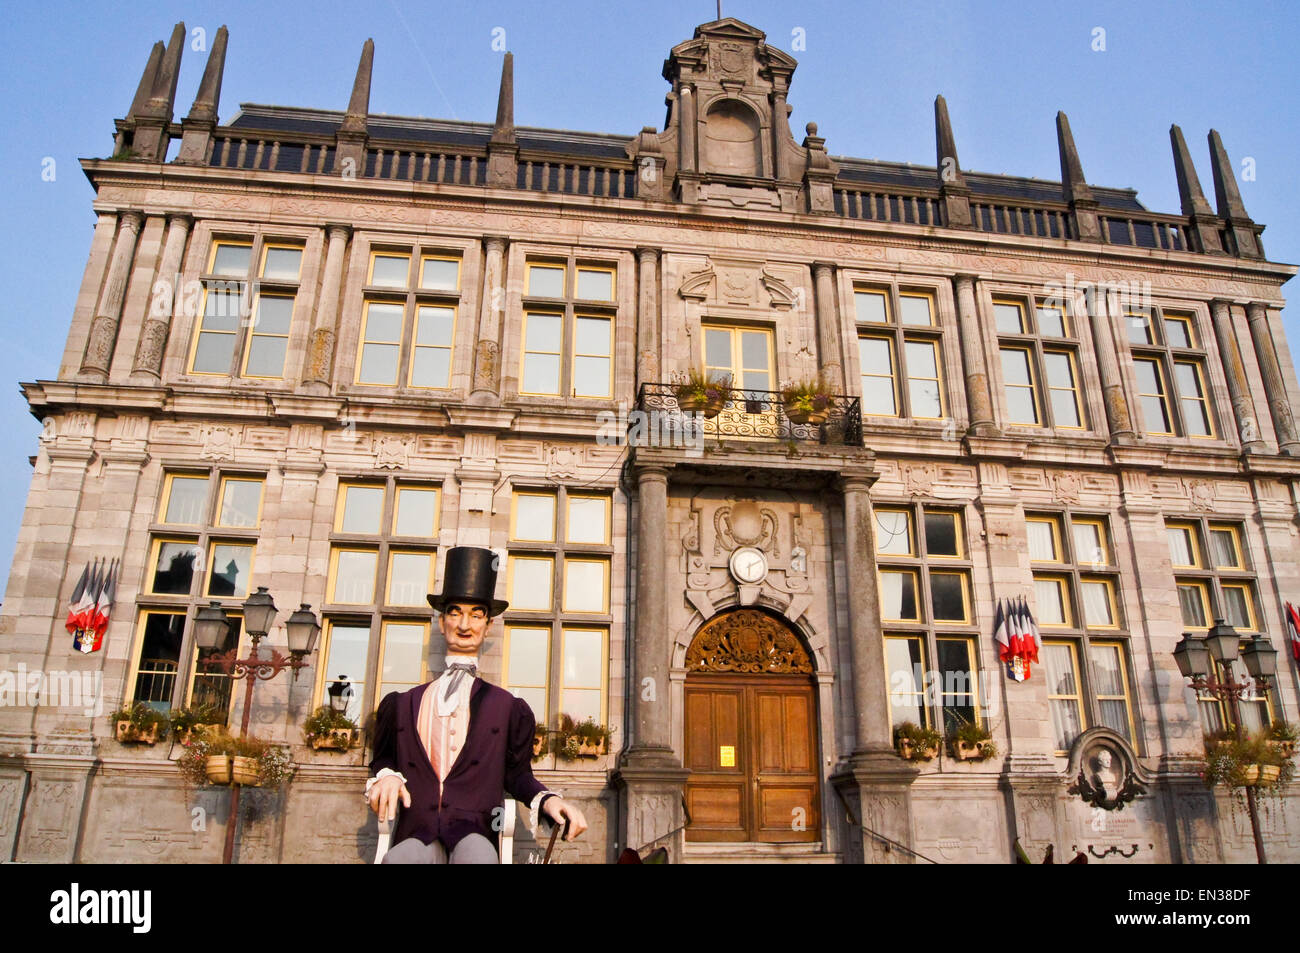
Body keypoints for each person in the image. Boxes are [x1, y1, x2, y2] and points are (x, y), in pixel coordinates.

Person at [366, 546, 587, 863]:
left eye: (476, 614)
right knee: (400, 860)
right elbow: (383, 758)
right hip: (417, 831)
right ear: (442, 623)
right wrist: (387, 775)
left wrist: (549, 799)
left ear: (488, 626)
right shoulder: (402, 704)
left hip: (475, 831)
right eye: (455, 612)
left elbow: (518, 776)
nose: (464, 624)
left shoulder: (508, 708)